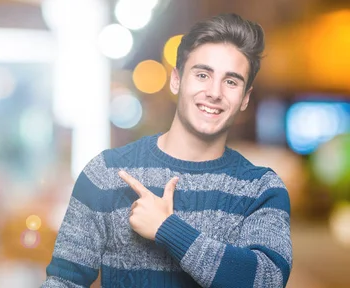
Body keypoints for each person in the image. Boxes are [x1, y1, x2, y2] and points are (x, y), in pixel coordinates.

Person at [41, 13, 292, 288]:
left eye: (231, 81)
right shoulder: (106, 174)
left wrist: (168, 229)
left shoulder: (261, 190)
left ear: (244, 98)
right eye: (202, 75)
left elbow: (268, 281)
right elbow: (63, 282)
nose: (214, 92)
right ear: (176, 80)